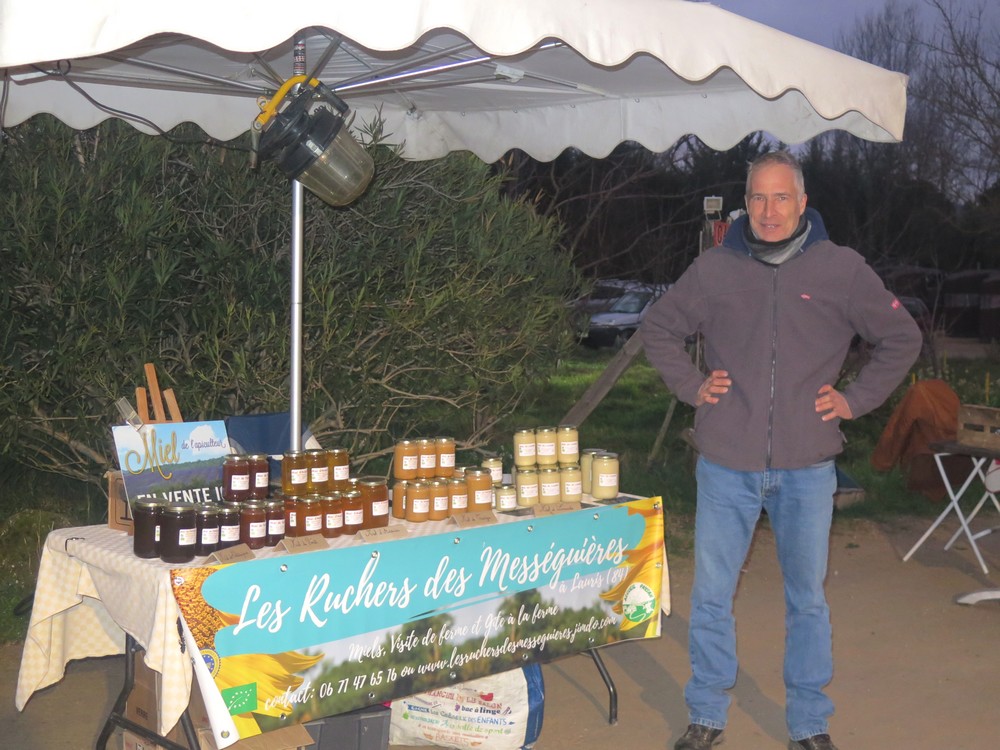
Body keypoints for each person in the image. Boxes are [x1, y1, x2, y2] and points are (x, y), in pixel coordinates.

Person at [640, 151, 922, 750]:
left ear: (803, 202)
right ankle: (708, 712)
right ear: (747, 203)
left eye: (782, 198)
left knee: (807, 601)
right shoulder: (714, 269)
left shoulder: (841, 270)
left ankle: (808, 723)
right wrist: (693, 387)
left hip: (807, 465)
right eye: (759, 199)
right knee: (713, 596)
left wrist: (855, 399)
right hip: (725, 462)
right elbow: (659, 327)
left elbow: (901, 337)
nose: (769, 212)